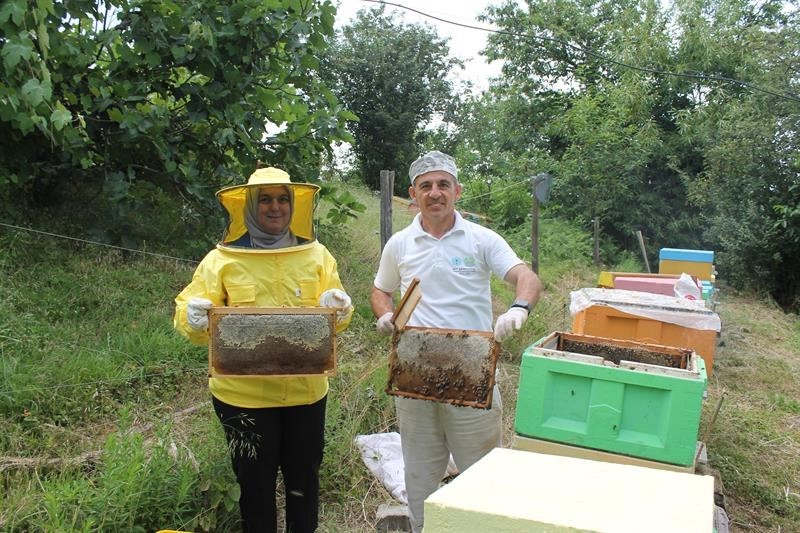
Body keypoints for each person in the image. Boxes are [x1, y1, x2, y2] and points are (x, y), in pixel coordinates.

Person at [370, 151, 542, 532]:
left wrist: (518, 309)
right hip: (414, 375)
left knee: (481, 472)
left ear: (457, 191)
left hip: (471, 372)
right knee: (419, 471)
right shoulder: (400, 243)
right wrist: (385, 314)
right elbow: (380, 289)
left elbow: (526, 278)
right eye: (426, 186)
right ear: (413, 194)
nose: (435, 193)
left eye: (443, 185)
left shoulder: (482, 239)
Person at [174, 167, 353, 533]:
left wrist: (340, 308)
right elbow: (190, 315)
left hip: (305, 395)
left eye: (283, 199)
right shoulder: (220, 260)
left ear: (294, 205)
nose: (276, 207)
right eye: (266, 199)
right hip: (242, 398)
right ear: (249, 207)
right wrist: (192, 318)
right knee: (254, 486)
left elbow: (335, 320)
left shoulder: (318, 256)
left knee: (304, 482)